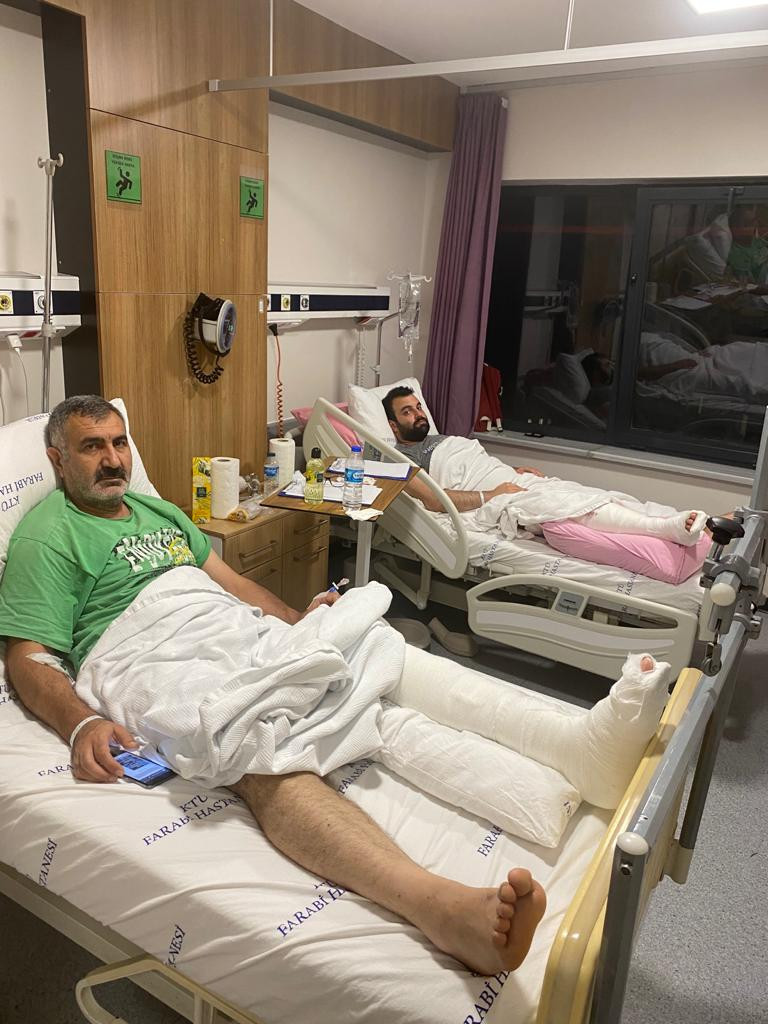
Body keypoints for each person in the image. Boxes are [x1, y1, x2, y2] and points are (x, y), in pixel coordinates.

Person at [0, 395, 546, 977]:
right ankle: (439, 908)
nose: (113, 459)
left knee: (359, 666)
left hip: (224, 625)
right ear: (58, 460)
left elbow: (230, 582)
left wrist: (295, 623)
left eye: (118, 442)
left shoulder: (155, 511)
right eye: (92, 447)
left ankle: (556, 756)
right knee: (255, 748)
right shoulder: (47, 535)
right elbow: (27, 655)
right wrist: (81, 721)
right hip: (149, 651)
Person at [382, 386, 706, 544]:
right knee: (567, 509)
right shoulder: (399, 459)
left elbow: (477, 463)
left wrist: (513, 469)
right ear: (394, 426)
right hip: (497, 495)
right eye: (407, 412)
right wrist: (491, 495)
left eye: (418, 407)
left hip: (511, 481)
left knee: (590, 495)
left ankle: (694, 525)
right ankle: (665, 529)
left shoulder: (444, 439)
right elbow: (433, 499)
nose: (419, 414)